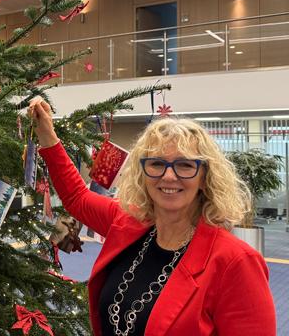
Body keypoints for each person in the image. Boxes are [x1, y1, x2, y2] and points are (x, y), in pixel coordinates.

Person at [28, 97, 275, 336]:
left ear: (205, 177)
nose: (169, 176)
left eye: (185, 165)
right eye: (156, 164)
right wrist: (46, 134)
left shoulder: (236, 262)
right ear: (142, 173)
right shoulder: (127, 223)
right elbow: (77, 198)